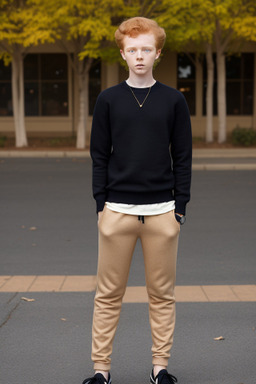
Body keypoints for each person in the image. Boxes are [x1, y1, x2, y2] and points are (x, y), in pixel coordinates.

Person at [82, 16, 192, 384]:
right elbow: (99, 155)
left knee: (162, 295)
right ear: (122, 53)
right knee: (107, 295)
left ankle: (160, 368)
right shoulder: (109, 99)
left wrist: (180, 208)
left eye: (146, 49)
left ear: (157, 53)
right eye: (133, 50)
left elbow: (183, 155)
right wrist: (101, 205)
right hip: (117, 212)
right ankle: (101, 370)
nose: (140, 56)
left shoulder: (174, 100)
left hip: (162, 213)